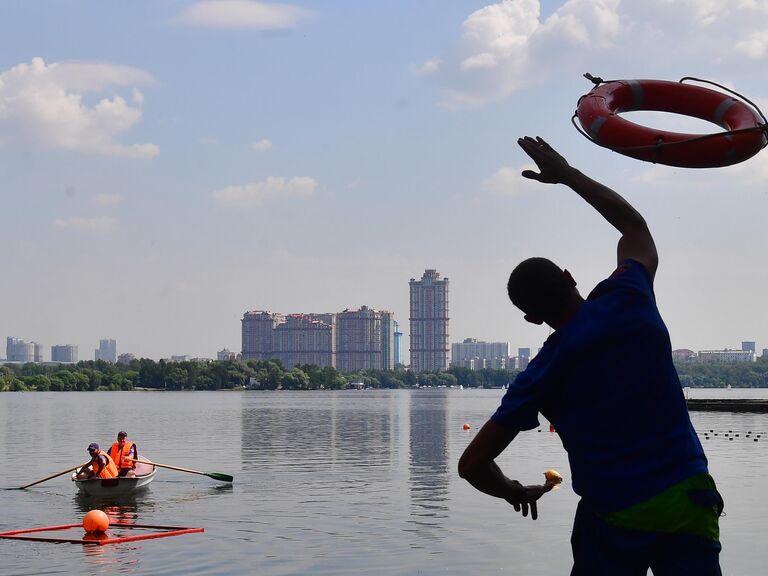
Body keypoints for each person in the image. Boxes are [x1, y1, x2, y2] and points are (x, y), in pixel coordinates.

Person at [458, 136, 723, 575]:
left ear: (530, 319)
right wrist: (567, 176)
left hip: (614, 518)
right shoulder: (629, 296)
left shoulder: (541, 373)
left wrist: (513, 491)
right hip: (688, 500)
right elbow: (635, 228)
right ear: (569, 276)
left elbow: (472, 465)